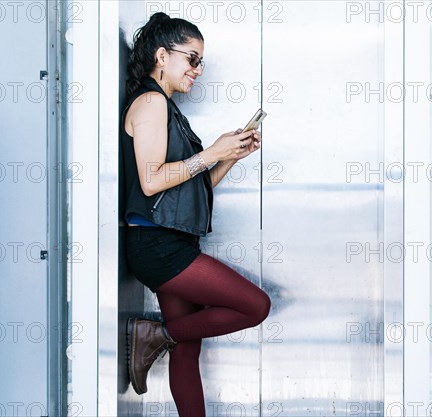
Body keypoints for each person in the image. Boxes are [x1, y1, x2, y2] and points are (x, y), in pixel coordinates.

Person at [121, 12, 271, 416]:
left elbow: (188, 188)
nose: (198, 70)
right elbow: (152, 181)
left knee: (186, 351)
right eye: (192, 59)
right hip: (158, 245)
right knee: (255, 307)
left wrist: (229, 158)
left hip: (171, 238)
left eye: (200, 62)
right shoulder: (151, 103)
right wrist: (210, 154)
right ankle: (155, 333)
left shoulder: (168, 109)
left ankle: (164, 337)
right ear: (161, 55)